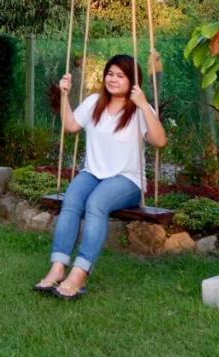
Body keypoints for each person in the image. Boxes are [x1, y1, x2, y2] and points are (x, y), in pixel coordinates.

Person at [35, 54, 167, 299]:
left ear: (132, 81)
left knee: (96, 203)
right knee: (72, 199)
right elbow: (71, 126)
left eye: (120, 76)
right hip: (93, 174)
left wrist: (144, 104)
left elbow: (160, 141)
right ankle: (58, 266)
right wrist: (65, 95)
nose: (113, 79)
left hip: (127, 180)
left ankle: (81, 271)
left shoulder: (139, 109)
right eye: (110, 74)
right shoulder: (95, 102)